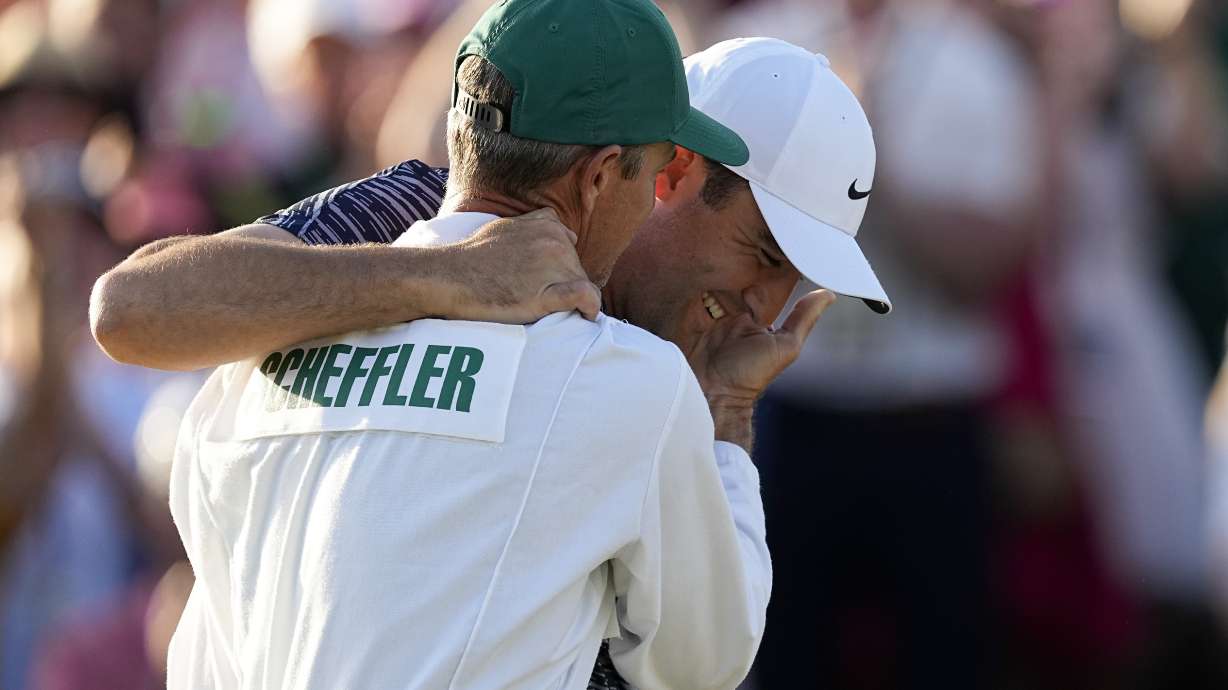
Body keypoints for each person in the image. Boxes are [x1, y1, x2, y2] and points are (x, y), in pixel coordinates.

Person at [96, 36, 889, 690]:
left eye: (798, 282)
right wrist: (450, 276)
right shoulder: (418, 212)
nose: (767, 307)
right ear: (664, 171)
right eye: (763, 254)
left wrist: (723, 413)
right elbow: (130, 311)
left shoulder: (669, 373)